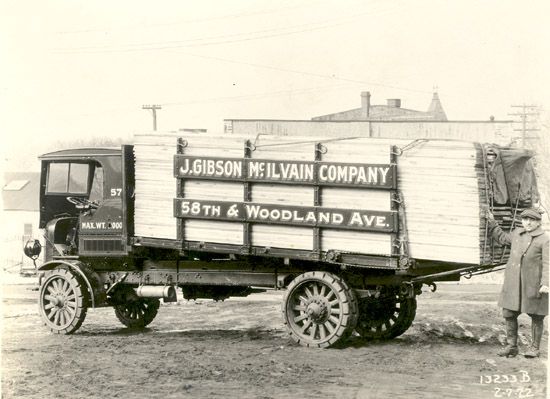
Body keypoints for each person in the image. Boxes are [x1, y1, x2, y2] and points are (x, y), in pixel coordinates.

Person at [486, 208, 549, 358]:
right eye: (525, 219)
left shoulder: (545, 239)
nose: (527, 222)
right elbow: (502, 238)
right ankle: (511, 346)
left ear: (538, 222)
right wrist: (492, 222)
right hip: (514, 282)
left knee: (537, 315)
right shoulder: (517, 234)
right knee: (508, 312)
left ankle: (534, 348)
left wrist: (546, 283)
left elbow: (548, 263)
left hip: (532, 284)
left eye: (532, 220)